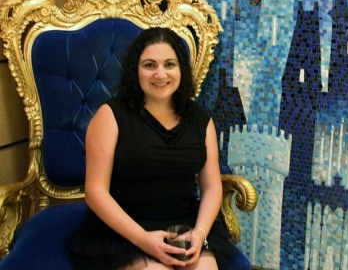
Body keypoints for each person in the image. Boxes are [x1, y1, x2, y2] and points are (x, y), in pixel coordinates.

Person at [67, 27, 236, 269]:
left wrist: (199, 233)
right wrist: (143, 240)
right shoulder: (110, 115)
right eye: (149, 65)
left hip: (184, 226)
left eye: (169, 64)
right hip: (125, 228)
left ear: (181, 70)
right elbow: (96, 192)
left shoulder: (201, 118)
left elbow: (211, 187)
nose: (160, 74)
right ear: (135, 70)